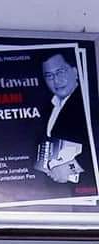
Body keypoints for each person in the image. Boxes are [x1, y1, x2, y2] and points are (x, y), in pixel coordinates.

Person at [39, 51, 92, 185]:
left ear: (75, 72)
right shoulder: (49, 106)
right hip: (55, 187)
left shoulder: (90, 101)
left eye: (61, 72)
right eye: (49, 76)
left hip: (87, 186)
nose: (56, 80)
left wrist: (70, 168)